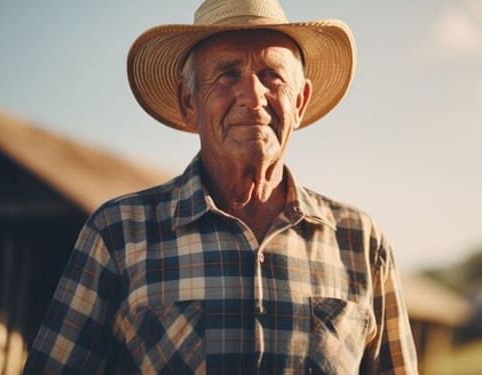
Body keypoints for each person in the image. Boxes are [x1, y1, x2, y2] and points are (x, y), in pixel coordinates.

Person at [24, 0, 418, 373]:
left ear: (300, 101)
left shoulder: (360, 241)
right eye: (228, 73)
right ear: (189, 102)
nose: (252, 97)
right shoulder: (119, 232)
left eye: (271, 76)